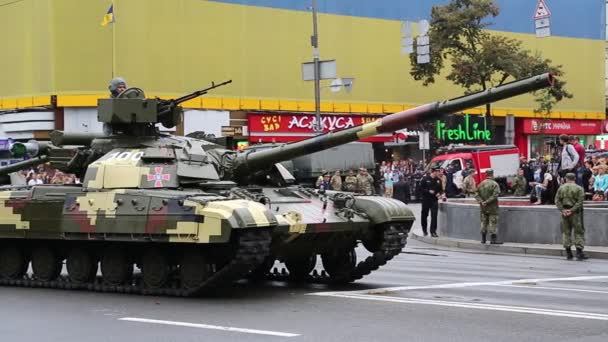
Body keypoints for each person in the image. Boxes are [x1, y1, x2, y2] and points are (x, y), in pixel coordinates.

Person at [555, 173, 587, 260]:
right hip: (576, 213)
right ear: (575, 178)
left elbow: (557, 201)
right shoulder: (579, 188)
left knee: (566, 232)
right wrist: (572, 210)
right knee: (578, 232)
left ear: (566, 178)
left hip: (564, 213)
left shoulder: (561, 188)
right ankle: (579, 253)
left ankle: (568, 253)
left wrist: (563, 210)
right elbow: (580, 202)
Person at [475, 169, 502, 244]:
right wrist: (487, 202)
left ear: (486, 174)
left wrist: (482, 202)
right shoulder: (495, 184)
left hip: (483, 208)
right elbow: (495, 195)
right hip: (492, 208)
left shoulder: (481, 184)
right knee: (493, 222)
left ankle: (483, 239)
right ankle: (493, 240)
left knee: (483, 222)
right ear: (492, 174)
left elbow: (476, 194)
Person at [419, 167, 443, 237]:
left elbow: (441, 189)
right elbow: (420, 189)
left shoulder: (438, 180)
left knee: (434, 216)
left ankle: (433, 231)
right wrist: (428, 191)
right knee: (424, 215)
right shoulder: (425, 179)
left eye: (439, 171)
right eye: (437, 171)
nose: (439, 172)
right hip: (426, 199)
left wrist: (439, 193)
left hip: (434, 200)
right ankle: (424, 230)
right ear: (433, 172)